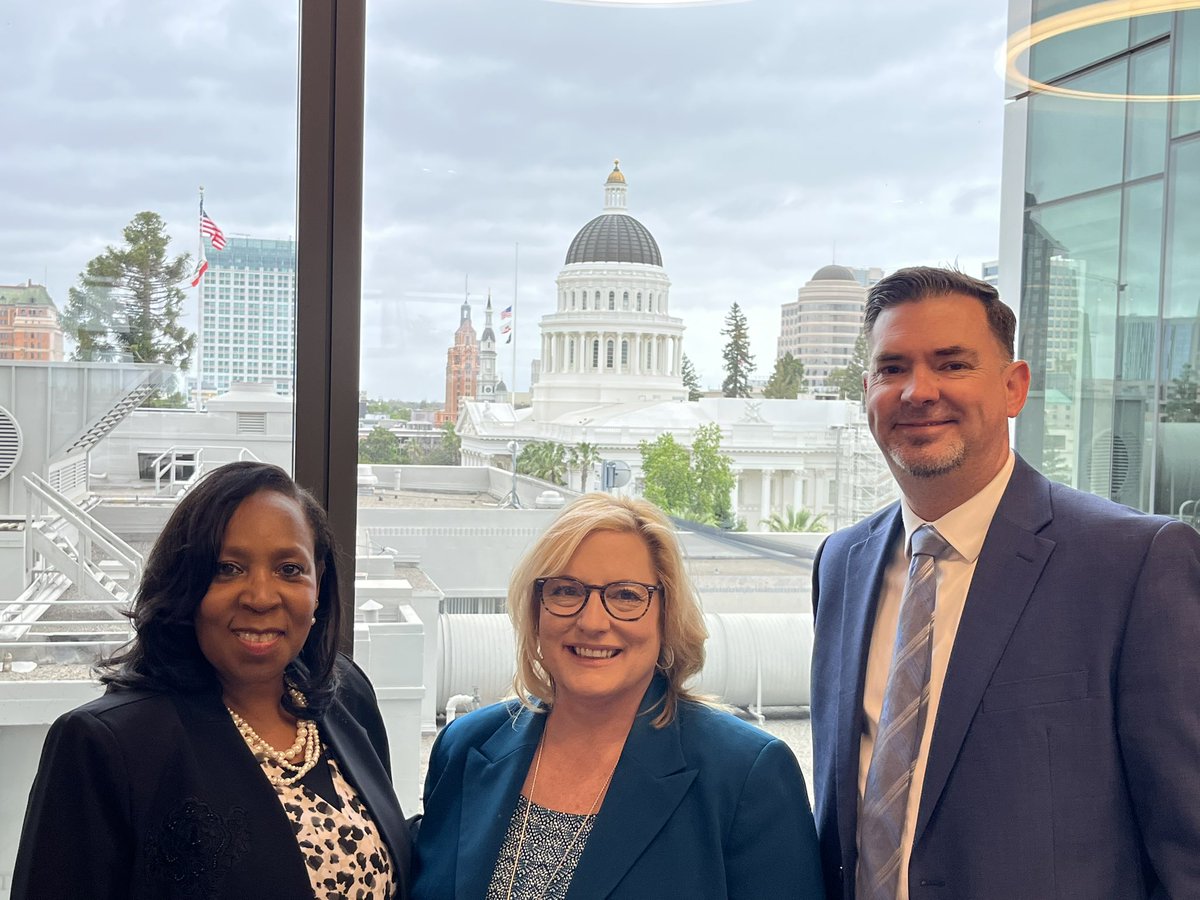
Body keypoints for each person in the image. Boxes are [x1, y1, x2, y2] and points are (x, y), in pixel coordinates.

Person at [810, 266, 1200, 899]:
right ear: (867, 392)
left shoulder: (1133, 565)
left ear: (1015, 387)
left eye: (953, 364)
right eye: (891, 368)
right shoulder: (841, 564)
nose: (917, 391)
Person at [13, 461, 412, 900]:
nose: (260, 597)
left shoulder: (345, 692)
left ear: (319, 583)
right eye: (227, 568)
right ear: (185, 583)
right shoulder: (107, 745)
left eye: (289, 569)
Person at [411, 493, 823, 899]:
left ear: (667, 615)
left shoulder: (747, 775)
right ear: (536, 610)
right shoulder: (464, 747)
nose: (592, 622)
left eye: (626, 595)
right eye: (566, 591)